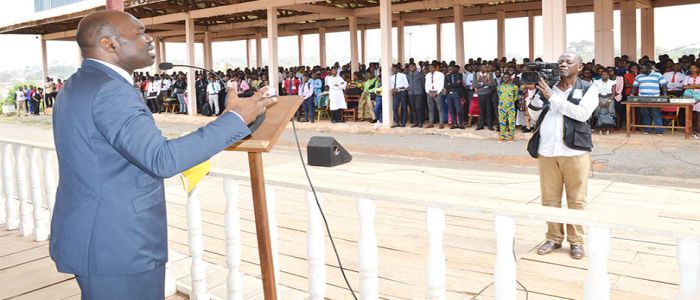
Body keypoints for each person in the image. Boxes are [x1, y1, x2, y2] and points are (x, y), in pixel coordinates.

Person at [50, 10, 273, 299]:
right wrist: (234, 120)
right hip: (117, 243)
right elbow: (161, 159)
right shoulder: (110, 91)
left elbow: (124, 149)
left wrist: (231, 122)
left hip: (97, 235)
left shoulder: (81, 83)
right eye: (139, 33)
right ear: (109, 44)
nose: (149, 38)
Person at [528, 52, 599, 260]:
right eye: (560, 62)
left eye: (569, 62)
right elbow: (532, 115)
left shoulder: (588, 88)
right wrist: (540, 96)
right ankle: (553, 238)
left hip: (575, 151)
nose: (563, 65)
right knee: (549, 199)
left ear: (580, 67)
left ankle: (576, 242)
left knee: (576, 200)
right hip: (547, 151)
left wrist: (553, 98)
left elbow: (582, 114)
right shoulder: (547, 87)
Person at [632, 64, 668, 135]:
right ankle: (647, 130)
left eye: (643, 69)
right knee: (645, 114)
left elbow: (664, 85)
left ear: (649, 68)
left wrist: (665, 94)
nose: (641, 70)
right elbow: (634, 86)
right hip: (642, 98)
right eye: (641, 69)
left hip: (654, 98)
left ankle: (659, 131)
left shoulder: (658, 75)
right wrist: (631, 95)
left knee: (656, 114)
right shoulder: (638, 76)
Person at [497, 73, 518, 142]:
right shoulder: (499, 86)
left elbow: (516, 97)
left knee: (511, 121)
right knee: (502, 121)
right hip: (502, 106)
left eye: (507, 77)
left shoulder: (514, 87)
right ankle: (502, 135)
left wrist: (510, 102)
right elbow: (499, 95)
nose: (505, 79)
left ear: (510, 78)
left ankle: (511, 135)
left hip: (511, 106)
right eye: (504, 77)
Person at [475, 65, 497, 130]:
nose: (486, 68)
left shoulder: (489, 74)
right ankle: (480, 125)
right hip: (480, 94)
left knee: (489, 110)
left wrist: (481, 84)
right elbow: (474, 84)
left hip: (488, 94)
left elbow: (493, 84)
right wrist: (485, 83)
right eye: (484, 67)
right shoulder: (476, 74)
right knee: (481, 111)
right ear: (480, 68)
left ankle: (490, 125)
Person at [424, 63, 445, 128]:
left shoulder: (440, 74)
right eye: (430, 68)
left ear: (435, 68)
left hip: (437, 92)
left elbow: (442, 84)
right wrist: (428, 92)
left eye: (432, 68)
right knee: (430, 109)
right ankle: (431, 123)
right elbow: (426, 85)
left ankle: (441, 123)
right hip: (429, 92)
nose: (431, 69)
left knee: (440, 109)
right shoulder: (427, 75)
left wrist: (437, 93)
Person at [682, 64, 700, 138]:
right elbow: (684, 86)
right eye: (691, 68)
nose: (692, 70)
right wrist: (697, 85)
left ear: (698, 69)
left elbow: (688, 86)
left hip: (699, 96)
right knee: (689, 113)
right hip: (689, 96)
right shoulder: (687, 77)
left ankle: (698, 129)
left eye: (694, 68)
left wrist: (690, 85)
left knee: (698, 113)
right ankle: (690, 129)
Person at [406, 63, 426, 127]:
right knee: (413, 108)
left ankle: (420, 122)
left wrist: (423, 92)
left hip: (419, 93)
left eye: (412, 67)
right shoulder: (408, 75)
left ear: (415, 67)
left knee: (418, 108)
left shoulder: (420, 74)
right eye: (410, 67)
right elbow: (406, 83)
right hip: (410, 93)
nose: (411, 68)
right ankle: (415, 122)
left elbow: (423, 84)